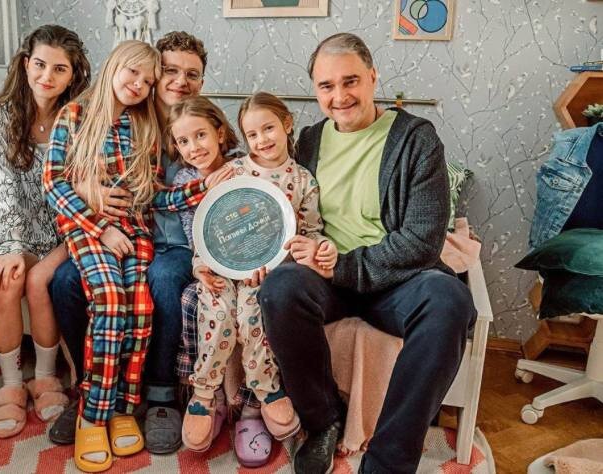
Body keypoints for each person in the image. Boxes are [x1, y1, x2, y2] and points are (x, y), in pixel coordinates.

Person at [256, 33, 477, 474]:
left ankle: (389, 461)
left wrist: (345, 266)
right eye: (326, 86)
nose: (339, 96)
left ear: (374, 77)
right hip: (325, 277)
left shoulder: (416, 139)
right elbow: (274, 196)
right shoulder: (309, 142)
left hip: (395, 280)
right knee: (280, 289)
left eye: (351, 81)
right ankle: (322, 424)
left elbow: (423, 239)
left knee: (450, 300)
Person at [43, 40, 232, 472]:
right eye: (144, 74)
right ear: (115, 65)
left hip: (142, 235)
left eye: (147, 80)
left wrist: (205, 184)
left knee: (143, 303)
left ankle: (131, 404)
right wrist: (96, 215)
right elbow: (54, 181)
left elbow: (152, 195)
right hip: (96, 229)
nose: (141, 84)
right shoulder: (76, 116)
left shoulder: (147, 125)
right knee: (88, 291)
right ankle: (93, 404)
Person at [172, 94, 336, 465]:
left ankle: (266, 390)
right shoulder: (234, 172)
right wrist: (201, 266)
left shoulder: (303, 181)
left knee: (252, 316)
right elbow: (208, 227)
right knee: (215, 311)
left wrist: (314, 250)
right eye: (252, 134)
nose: (262, 140)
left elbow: (312, 231)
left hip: (265, 273)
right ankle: (203, 393)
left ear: (287, 124)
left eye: (268, 129)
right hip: (221, 268)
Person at [0, 24, 90, 439]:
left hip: (61, 232)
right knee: (5, 279)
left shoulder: (80, 118)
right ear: (25, 63)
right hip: (8, 225)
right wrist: (11, 247)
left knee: (40, 281)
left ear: (73, 75)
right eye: (39, 64)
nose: (46, 76)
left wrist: (57, 248)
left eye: (59, 69)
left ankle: (47, 376)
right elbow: (1, 188)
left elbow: (81, 192)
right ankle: (12, 383)